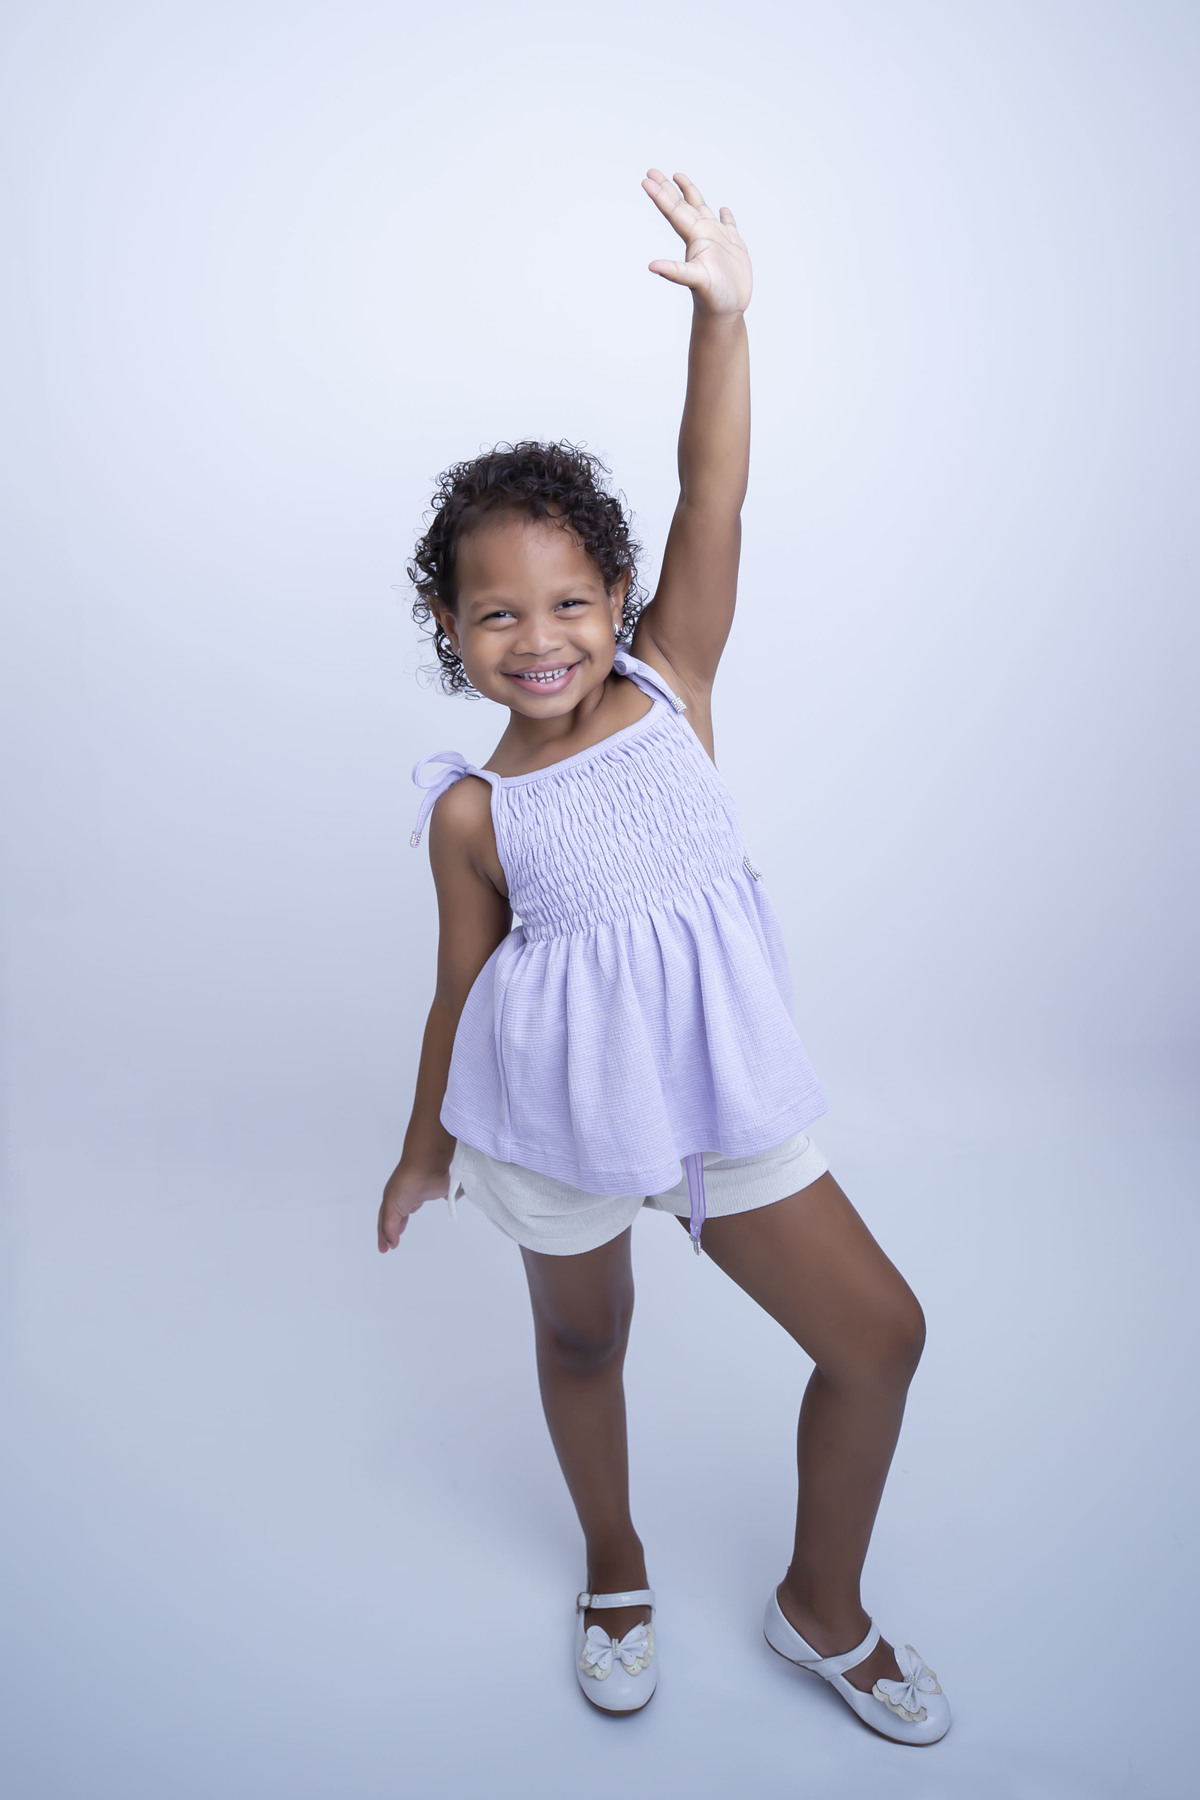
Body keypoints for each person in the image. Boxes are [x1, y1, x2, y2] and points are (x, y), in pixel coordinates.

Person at [378, 169, 950, 1743]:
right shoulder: (474, 813)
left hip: (713, 1088)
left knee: (879, 1335)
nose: (540, 637)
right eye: (498, 615)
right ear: (450, 628)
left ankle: (818, 1607)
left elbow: (714, 491)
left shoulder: (670, 682)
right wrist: (421, 1151)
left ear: (620, 597)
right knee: (584, 1333)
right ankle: (614, 1567)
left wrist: (724, 320)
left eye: (570, 600)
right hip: (554, 1112)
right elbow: (459, 991)